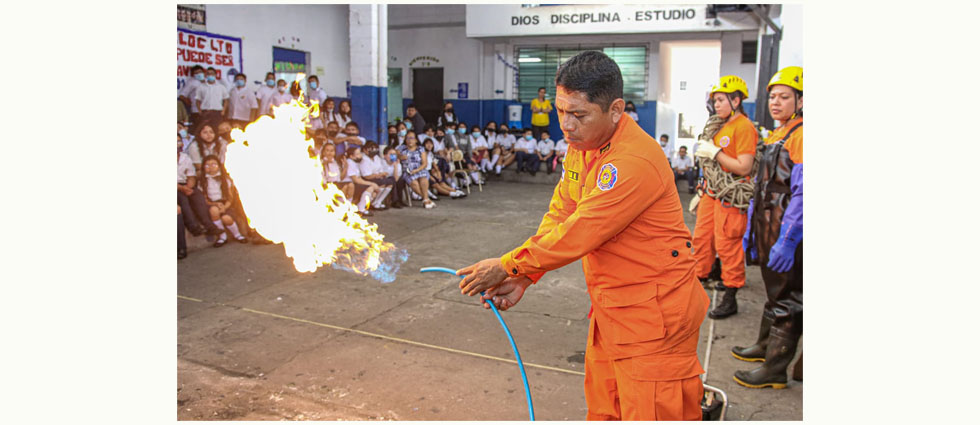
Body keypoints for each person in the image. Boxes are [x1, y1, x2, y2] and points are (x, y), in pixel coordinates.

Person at [455, 51, 708, 421]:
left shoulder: (632, 161)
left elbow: (582, 230)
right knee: (605, 409)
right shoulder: (582, 147)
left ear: (616, 109)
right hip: (612, 310)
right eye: (560, 111)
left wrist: (508, 266)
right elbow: (562, 212)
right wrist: (527, 275)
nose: (566, 126)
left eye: (579, 115)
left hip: (655, 320)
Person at [732, 66, 803, 389]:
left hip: (787, 227)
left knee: (789, 297)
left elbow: (803, 194)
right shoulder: (779, 133)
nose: (776, 102)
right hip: (767, 224)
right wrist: (751, 226)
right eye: (773, 96)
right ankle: (764, 347)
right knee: (775, 291)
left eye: (785, 97)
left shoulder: (803, 135)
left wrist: (788, 240)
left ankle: (775, 367)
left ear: (801, 101)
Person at [691, 75, 758, 319]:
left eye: (721, 100)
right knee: (701, 237)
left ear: (736, 100)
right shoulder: (720, 125)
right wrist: (702, 188)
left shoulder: (744, 128)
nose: (716, 105)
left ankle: (731, 296)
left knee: (727, 244)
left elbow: (744, 167)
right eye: (715, 101)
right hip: (711, 192)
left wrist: (716, 152)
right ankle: (699, 281)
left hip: (731, 194)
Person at [199, 155, 249, 247]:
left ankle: (238, 235)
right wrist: (215, 204)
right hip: (212, 204)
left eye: (214, 164)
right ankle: (222, 236)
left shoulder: (225, 179)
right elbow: (205, 199)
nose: (210, 167)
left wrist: (224, 207)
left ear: (219, 166)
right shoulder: (203, 181)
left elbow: (230, 197)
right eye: (207, 165)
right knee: (214, 210)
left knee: (226, 218)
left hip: (226, 203)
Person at [177, 141, 222, 238]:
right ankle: (193, 227)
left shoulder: (185, 157)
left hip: (186, 184)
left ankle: (209, 226)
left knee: (197, 195)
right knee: (183, 199)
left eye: (178, 141)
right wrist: (182, 188)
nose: (177, 144)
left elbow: (191, 175)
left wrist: (189, 187)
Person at [396, 130, 436, 209]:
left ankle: (425, 199)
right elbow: (394, 156)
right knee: (414, 183)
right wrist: (400, 157)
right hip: (408, 171)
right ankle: (426, 199)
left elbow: (425, 163)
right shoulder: (401, 148)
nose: (410, 140)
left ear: (416, 140)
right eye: (407, 138)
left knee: (423, 179)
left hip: (419, 169)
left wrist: (417, 170)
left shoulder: (420, 149)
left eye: (412, 138)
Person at [345, 146, 382, 216]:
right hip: (349, 184)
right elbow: (356, 180)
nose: (361, 155)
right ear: (351, 156)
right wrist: (371, 184)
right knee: (370, 188)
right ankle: (361, 209)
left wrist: (371, 183)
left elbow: (359, 178)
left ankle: (361, 207)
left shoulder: (355, 163)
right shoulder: (349, 163)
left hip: (355, 184)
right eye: (358, 154)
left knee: (373, 191)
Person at [358, 141, 395, 210]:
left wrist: (382, 174)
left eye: (375, 149)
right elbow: (366, 176)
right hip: (367, 178)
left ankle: (378, 202)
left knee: (390, 182)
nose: (373, 151)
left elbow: (380, 169)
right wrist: (378, 175)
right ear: (365, 150)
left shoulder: (377, 158)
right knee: (383, 183)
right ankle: (372, 203)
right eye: (371, 149)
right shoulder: (364, 159)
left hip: (377, 177)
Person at [178, 65, 205, 130]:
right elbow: (182, 95)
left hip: (208, 111)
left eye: (200, 72)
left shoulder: (207, 82)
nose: (199, 74)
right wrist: (189, 102)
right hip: (197, 112)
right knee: (199, 130)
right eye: (196, 73)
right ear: (193, 75)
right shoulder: (192, 83)